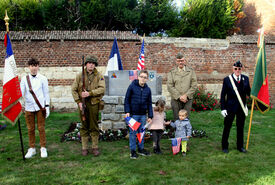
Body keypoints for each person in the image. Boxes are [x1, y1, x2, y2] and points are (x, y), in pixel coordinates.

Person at [71, 55, 105, 156]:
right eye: (89, 63)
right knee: (84, 125)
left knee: (94, 125)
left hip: (94, 104)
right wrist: (79, 102)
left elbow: (102, 89)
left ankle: (95, 147)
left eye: (93, 63)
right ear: (86, 64)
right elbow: (73, 89)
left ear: (95, 65)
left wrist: (90, 93)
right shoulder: (79, 75)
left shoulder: (99, 75)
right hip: (83, 104)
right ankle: (84, 148)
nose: (91, 65)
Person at [20, 58, 50, 158]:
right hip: (29, 107)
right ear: (29, 67)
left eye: (35, 65)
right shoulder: (24, 79)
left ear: (38, 66)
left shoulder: (43, 78)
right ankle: (32, 148)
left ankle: (43, 147)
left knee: (41, 128)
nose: (34, 68)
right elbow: (21, 92)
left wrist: (47, 106)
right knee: (30, 129)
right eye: (32, 66)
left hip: (40, 107)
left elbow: (46, 93)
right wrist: (21, 103)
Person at [220, 61, 251, 154]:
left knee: (240, 127)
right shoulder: (227, 80)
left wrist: (254, 95)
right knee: (227, 127)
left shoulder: (245, 79)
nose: (237, 70)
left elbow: (249, 93)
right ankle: (225, 146)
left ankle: (240, 146)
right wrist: (223, 108)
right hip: (230, 107)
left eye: (239, 69)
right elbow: (223, 95)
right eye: (236, 69)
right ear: (233, 69)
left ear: (242, 69)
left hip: (241, 107)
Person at [124, 70, 153, 159]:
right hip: (133, 115)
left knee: (141, 133)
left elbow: (149, 103)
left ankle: (141, 149)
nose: (143, 79)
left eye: (145, 77)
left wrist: (150, 116)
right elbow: (127, 99)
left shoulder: (148, 90)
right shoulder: (132, 86)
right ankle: (133, 151)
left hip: (143, 115)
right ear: (138, 77)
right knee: (133, 133)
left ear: (147, 79)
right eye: (141, 77)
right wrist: (127, 111)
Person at [167, 52, 198, 121]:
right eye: (178, 61)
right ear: (176, 61)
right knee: (176, 118)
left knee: (186, 118)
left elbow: (194, 85)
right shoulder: (172, 72)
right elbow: (169, 86)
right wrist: (179, 96)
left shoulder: (191, 71)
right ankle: (177, 131)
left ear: (185, 61)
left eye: (182, 61)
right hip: (175, 99)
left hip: (187, 99)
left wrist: (186, 95)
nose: (180, 62)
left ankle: (186, 131)